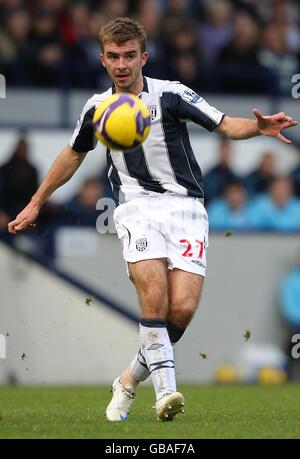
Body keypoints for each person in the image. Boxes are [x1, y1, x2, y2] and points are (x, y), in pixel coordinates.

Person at [7, 17, 298, 422]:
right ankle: (167, 392)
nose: (122, 64)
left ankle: (127, 379)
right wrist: (37, 201)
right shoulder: (97, 108)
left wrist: (258, 128)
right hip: (136, 207)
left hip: (187, 208)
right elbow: (72, 155)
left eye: (129, 56)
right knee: (154, 295)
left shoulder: (172, 94)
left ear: (144, 56)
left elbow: (225, 124)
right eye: (113, 56)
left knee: (180, 310)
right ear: (103, 59)